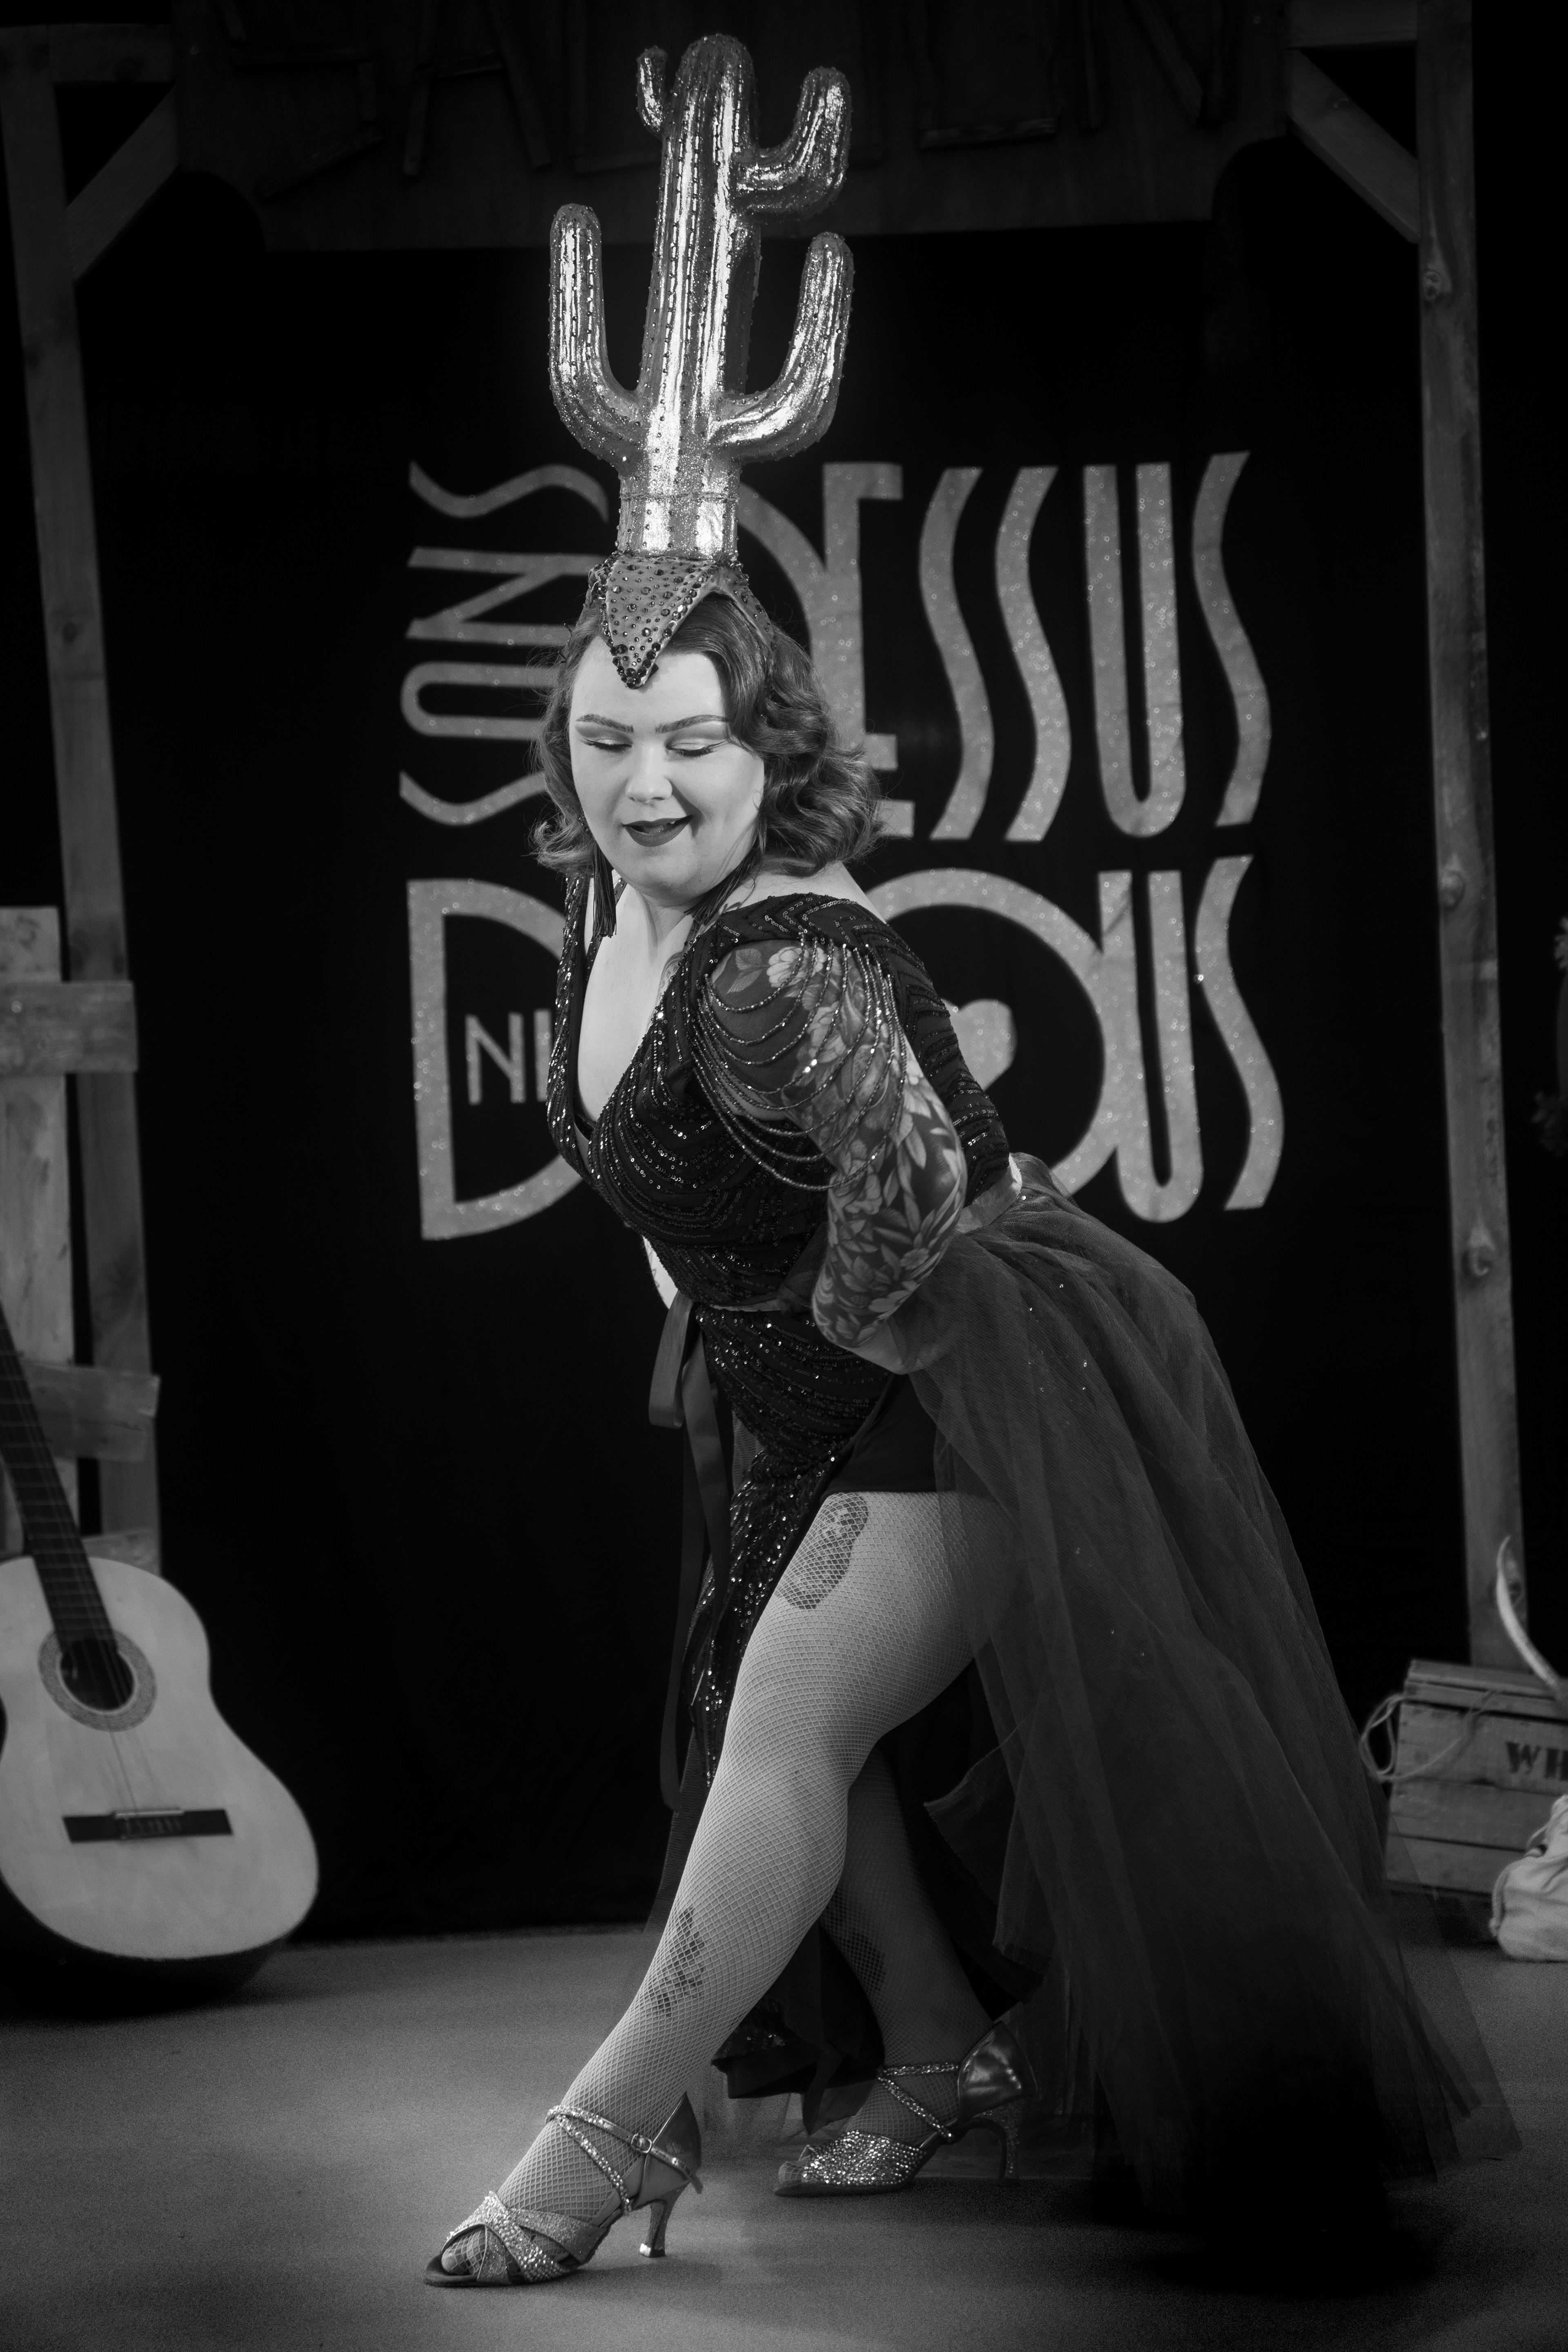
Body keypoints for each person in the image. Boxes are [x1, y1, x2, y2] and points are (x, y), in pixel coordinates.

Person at [427, 585, 1495, 2289]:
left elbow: (918, 1203)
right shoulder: (607, 903)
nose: (645, 783)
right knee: (770, 1727)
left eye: (692, 742)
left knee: (787, 1720)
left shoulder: (775, 967)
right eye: (608, 741)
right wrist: (722, 1305)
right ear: (563, 751)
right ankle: (936, 2049)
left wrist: (807, 1335)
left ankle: (597, 2138)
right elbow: (660, 1160)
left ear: (767, 750)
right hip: (795, 1389)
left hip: (955, 1379)